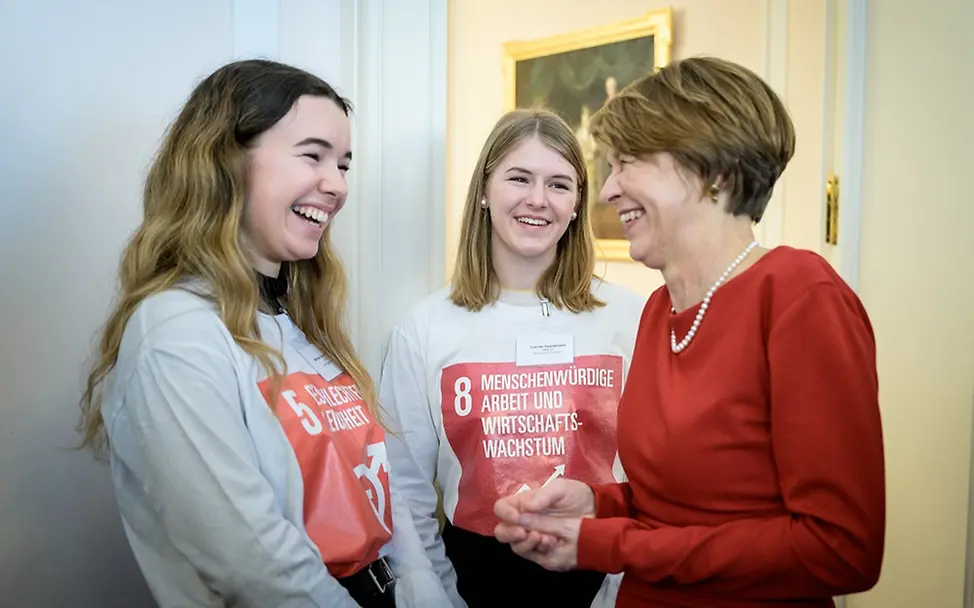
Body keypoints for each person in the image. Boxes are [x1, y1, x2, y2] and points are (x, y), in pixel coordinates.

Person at [493, 57, 886, 607]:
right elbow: (680, 505)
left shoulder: (799, 296)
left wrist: (610, 543)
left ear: (714, 173)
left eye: (628, 163)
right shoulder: (660, 309)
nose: (607, 192)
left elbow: (841, 548)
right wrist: (595, 506)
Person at [77, 59, 450, 608]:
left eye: (344, 164)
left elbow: (382, 502)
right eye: (313, 155)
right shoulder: (174, 334)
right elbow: (255, 567)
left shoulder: (301, 323)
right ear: (227, 161)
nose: (337, 185)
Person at [378, 108, 646, 608]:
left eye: (559, 184)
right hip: (471, 583)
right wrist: (434, 597)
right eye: (519, 178)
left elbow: (651, 480)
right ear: (484, 190)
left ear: (576, 205)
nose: (537, 200)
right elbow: (405, 489)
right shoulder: (425, 328)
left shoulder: (630, 319)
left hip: (604, 580)